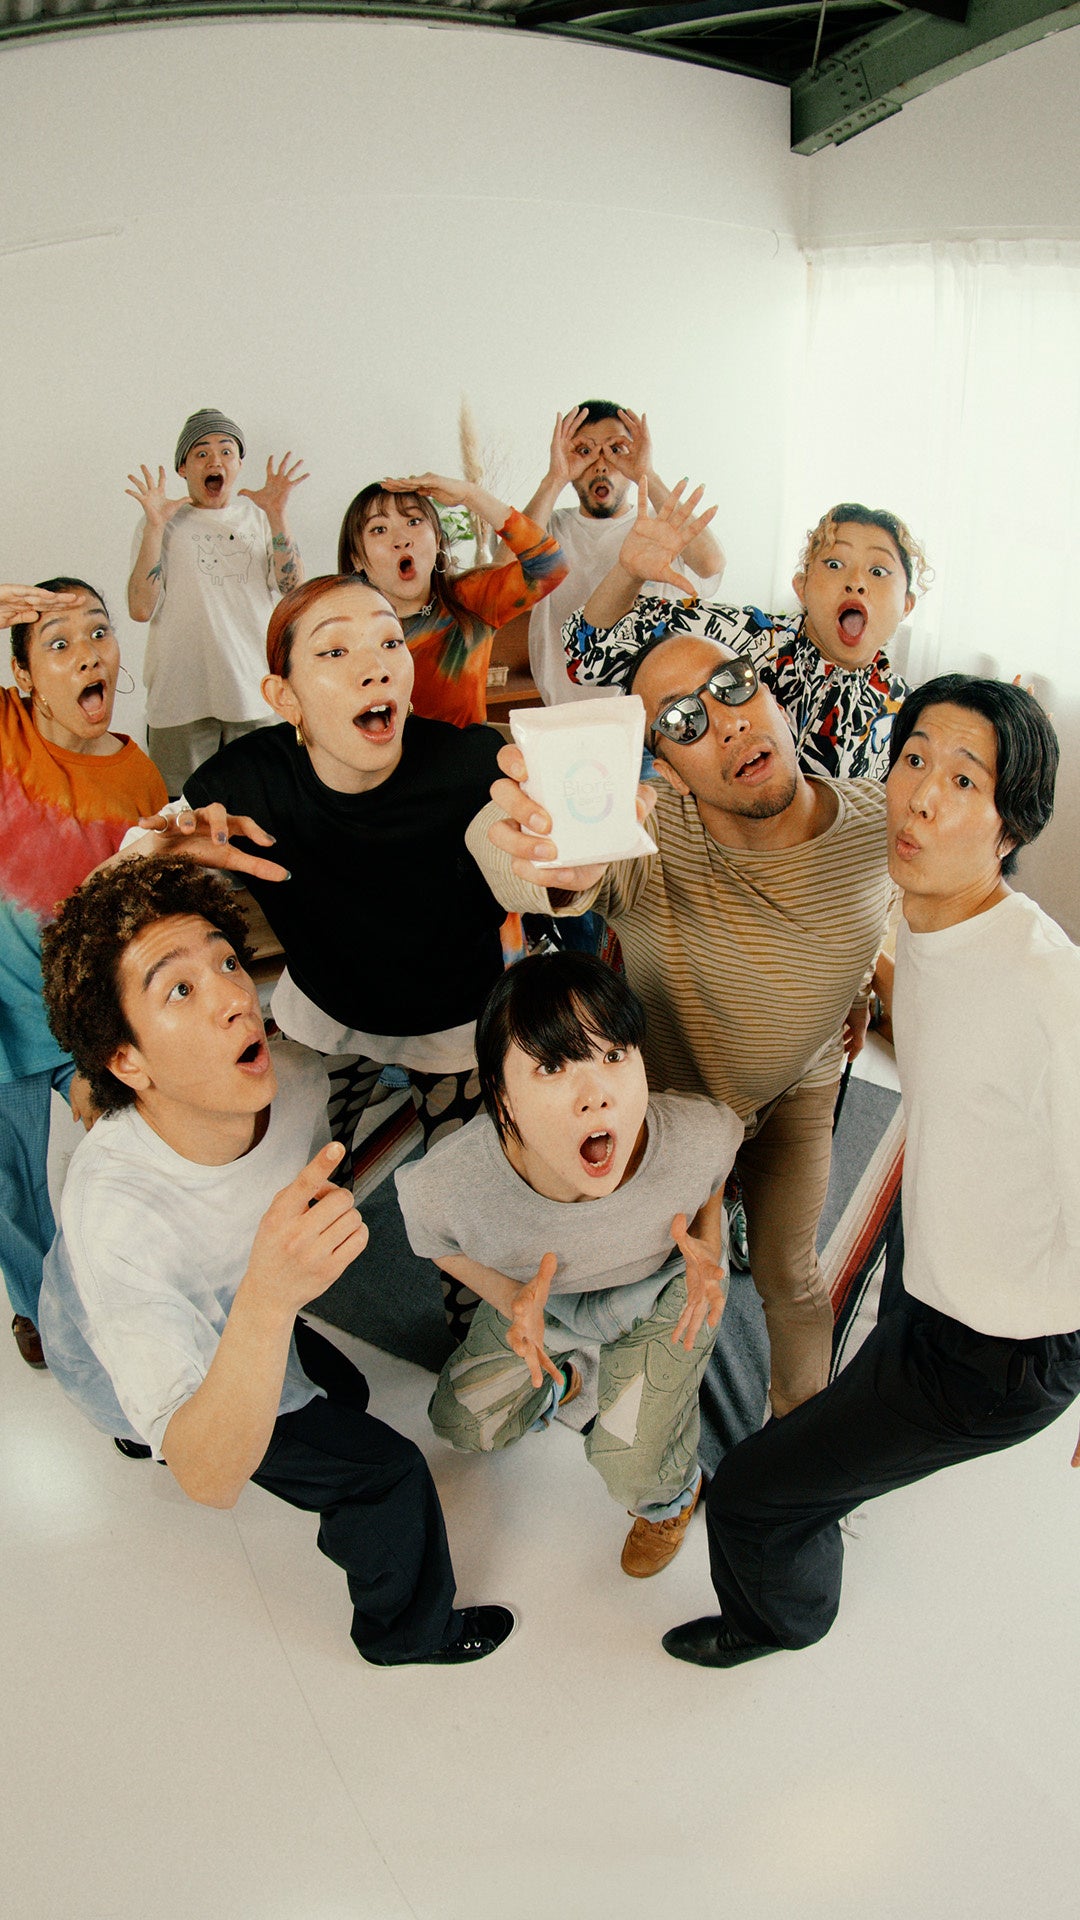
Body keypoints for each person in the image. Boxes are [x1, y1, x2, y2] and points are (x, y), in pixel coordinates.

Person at [661, 675, 1080, 1668]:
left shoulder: (1047, 988)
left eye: (964, 780)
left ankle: (778, 1621)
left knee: (754, 1496)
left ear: (1012, 824)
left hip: (1000, 1346)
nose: (921, 796)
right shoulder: (931, 921)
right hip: (931, 1266)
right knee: (839, 1432)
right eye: (914, 760)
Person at [36, 856, 514, 1667]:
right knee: (387, 1474)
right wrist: (266, 1298)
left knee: (347, 1392)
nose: (234, 999)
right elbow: (206, 1479)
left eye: (227, 963)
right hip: (132, 1341)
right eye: (178, 989)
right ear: (126, 1061)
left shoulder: (291, 1079)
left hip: (239, 1296)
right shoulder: (115, 1218)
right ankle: (407, 1633)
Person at [467, 630, 895, 1418]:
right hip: (672, 1108)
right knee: (651, 1290)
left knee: (791, 1278)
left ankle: (797, 1456)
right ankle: (626, 1437)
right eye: (682, 721)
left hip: (798, 1091)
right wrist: (544, 855)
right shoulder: (646, 839)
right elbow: (497, 851)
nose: (725, 722)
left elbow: (873, 925)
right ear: (664, 768)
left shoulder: (876, 823)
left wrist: (859, 999)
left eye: (731, 685)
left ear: (771, 694)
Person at [126, 573, 512, 1335]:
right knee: (300, 1165)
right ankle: (282, 1313)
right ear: (285, 695)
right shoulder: (245, 780)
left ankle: (474, 1336)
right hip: (324, 1013)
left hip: (450, 1023)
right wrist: (151, 855)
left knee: (463, 1199)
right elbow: (126, 872)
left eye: (389, 641)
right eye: (335, 651)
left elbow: (545, 874)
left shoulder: (471, 764)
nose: (374, 667)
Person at [397, 951, 743, 1575]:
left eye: (613, 1056)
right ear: (502, 1095)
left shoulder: (697, 1133)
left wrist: (709, 1245)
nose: (596, 1097)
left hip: (661, 1291)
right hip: (545, 1302)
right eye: (552, 1066)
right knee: (460, 1424)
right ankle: (568, 1377)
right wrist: (511, 1299)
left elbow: (718, 1163)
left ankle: (672, 1498)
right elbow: (433, 1240)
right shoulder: (450, 1185)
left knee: (630, 1466)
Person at [0, 579, 167, 1368]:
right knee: (10, 1182)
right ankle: (40, 1308)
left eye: (98, 633)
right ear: (24, 674)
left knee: (127, 1159)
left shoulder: (140, 779)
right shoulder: (5, 730)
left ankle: (132, 1299)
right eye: (58, 644)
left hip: (82, 1014)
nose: (87, 655)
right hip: (2, 1014)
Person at [565, 495, 927, 781]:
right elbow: (587, 657)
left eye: (879, 570)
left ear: (907, 604)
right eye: (834, 564)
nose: (856, 582)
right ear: (801, 586)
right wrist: (628, 572)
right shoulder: (743, 636)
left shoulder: (910, 715)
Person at [126, 407, 309, 796]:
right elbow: (140, 609)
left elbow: (295, 592)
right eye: (201, 453)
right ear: (183, 468)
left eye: (226, 451)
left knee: (263, 807)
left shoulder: (260, 520)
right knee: (181, 814)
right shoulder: (160, 523)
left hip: (255, 695)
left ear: (239, 463)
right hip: (179, 700)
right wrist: (155, 527)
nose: (215, 461)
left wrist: (277, 515)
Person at [518, 402, 725, 706]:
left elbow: (710, 564)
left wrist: (646, 474)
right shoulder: (549, 527)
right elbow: (503, 566)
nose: (601, 465)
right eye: (585, 451)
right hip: (566, 713)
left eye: (616, 450)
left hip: (651, 716)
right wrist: (555, 477)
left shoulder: (659, 527)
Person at [337, 472, 566, 728]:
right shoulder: (343, 632)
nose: (401, 540)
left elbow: (551, 567)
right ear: (357, 558)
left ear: (437, 540)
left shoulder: (469, 600)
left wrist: (470, 495)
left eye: (413, 521)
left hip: (467, 752)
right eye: (379, 529)